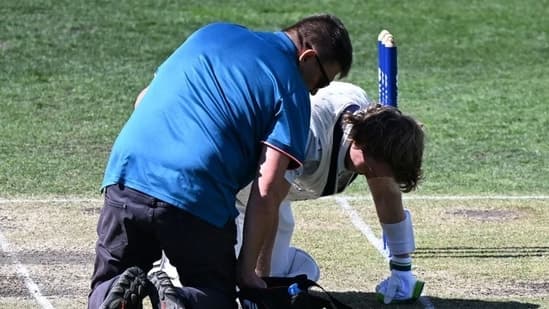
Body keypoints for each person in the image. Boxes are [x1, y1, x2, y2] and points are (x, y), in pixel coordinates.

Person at [88, 14, 353, 309]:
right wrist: (246, 270)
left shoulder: (212, 34)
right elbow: (267, 190)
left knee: (110, 281)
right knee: (214, 295)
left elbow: (143, 99)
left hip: (127, 173)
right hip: (196, 194)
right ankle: (177, 302)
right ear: (307, 57)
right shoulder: (292, 90)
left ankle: (112, 297)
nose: (316, 91)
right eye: (322, 80)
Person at [157, 81, 426, 304]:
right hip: (219, 188)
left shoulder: (371, 133)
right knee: (211, 290)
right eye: (378, 170)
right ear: (363, 145)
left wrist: (401, 267)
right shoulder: (308, 137)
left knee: (290, 274)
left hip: (269, 193)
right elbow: (266, 199)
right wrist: (257, 283)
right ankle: (170, 265)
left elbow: (385, 193)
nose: (379, 179)